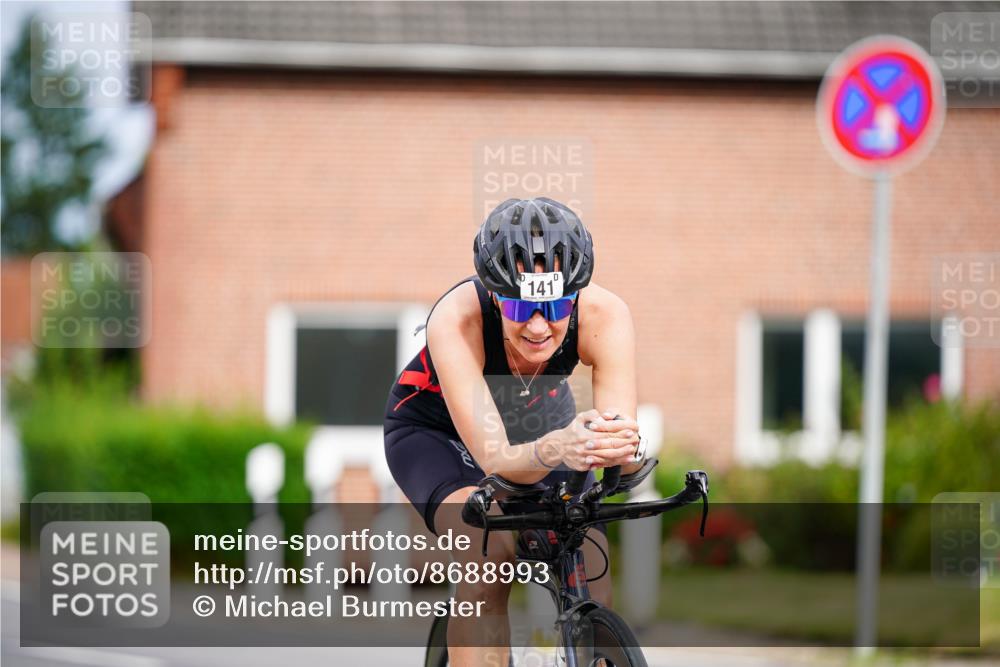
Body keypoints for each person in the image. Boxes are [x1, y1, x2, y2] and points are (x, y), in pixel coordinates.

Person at [383, 197, 644, 666]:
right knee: (489, 554)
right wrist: (560, 447)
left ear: (578, 293)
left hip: (541, 420)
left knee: (586, 545)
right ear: (496, 295)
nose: (540, 326)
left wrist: (619, 449)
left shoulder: (606, 315)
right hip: (437, 431)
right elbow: (500, 462)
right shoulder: (457, 318)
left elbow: (620, 452)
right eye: (521, 308)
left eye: (558, 304)